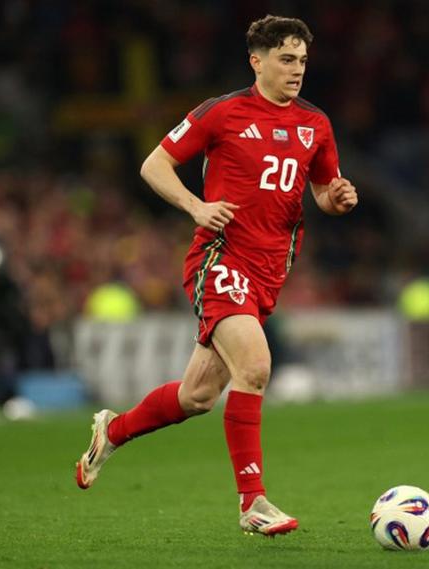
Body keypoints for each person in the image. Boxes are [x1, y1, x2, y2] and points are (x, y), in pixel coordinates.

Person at [74, 15, 358, 537]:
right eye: (286, 60)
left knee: (197, 397)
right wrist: (195, 206)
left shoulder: (315, 123)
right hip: (220, 260)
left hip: (271, 271)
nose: (297, 70)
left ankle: (111, 431)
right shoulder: (222, 113)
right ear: (257, 61)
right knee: (256, 366)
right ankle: (253, 502)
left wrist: (337, 199)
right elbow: (154, 164)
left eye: (302, 61)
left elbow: (322, 190)